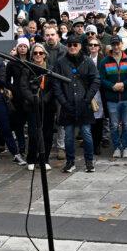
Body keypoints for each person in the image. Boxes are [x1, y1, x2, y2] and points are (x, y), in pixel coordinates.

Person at [52, 34, 99, 173]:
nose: (72, 47)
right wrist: (64, 102)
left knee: (86, 134)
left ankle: (89, 161)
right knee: (68, 136)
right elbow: (56, 84)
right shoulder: (60, 62)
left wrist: (87, 99)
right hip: (67, 104)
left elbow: (96, 80)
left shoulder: (87, 61)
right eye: (70, 45)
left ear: (80, 46)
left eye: (75, 45)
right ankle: (70, 162)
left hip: (84, 104)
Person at [99, 35, 127, 159]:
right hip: (112, 99)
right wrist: (112, 86)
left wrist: (123, 84)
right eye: (113, 44)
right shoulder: (105, 61)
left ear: (121, 44)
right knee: (114, 125)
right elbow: (102, 79)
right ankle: (116, 147)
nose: (116, 47)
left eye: (118, 44)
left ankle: (126, 148)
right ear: (111, 45)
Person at [21, 42, 56, 171]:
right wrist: (33, 99)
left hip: (47, 106)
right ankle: (31, 159)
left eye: (40, 53)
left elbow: (54, 87)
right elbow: (23, 87)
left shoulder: (50, 69)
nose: (38, 55)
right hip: (32, 106)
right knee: (33, 133)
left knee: (47, 133)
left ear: (45, 55)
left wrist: (45, 99)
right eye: (35, 53)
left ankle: (44, 159)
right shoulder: (27, 68)